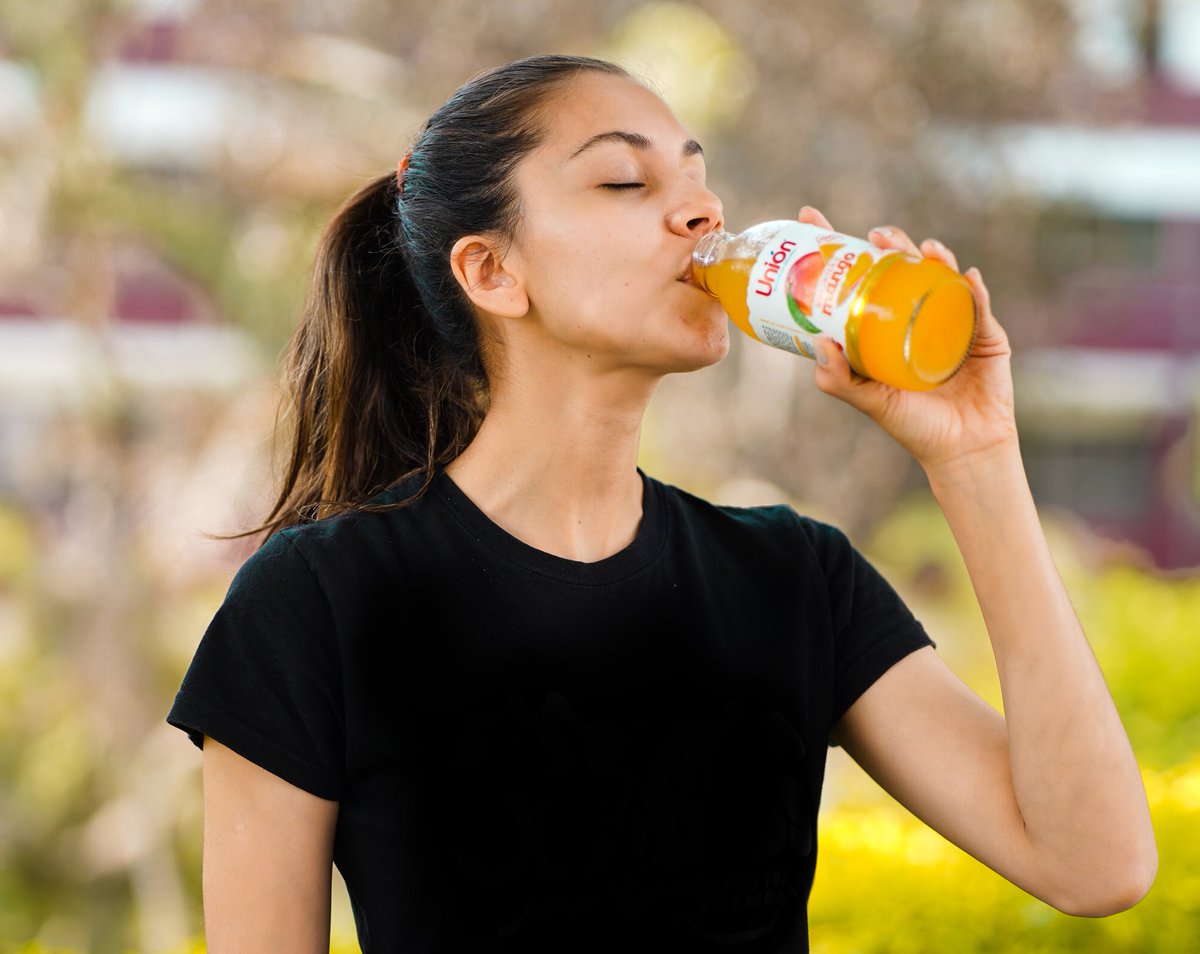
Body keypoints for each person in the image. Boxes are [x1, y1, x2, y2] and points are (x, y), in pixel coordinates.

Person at [166, 54, 1157, 953]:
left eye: (696, 177)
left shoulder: (793, 577)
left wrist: (974, 456)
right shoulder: (318, 599)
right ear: (491, 270)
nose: (702, 213)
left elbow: (1096, 866)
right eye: (625, 181)